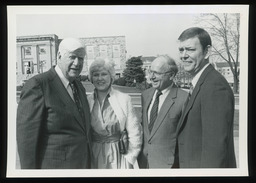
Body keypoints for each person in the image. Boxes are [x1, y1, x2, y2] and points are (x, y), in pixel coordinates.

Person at [17, 38, 91, 169]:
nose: (77, 63)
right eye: (72, 57)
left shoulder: (79, 87)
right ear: (59, 56)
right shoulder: (38, 85)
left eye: (81, 58)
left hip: (83, 167)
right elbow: (26, 142)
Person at [174, 27, 236, 168]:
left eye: (190, 49)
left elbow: (215, 151)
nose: (183, 55)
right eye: (181, 50)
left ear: (207, 51)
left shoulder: (214, 87)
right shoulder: (201, 82)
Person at [87, 57, 142, 169]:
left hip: (119, 154)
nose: (100, 78)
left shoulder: (124, 99)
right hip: (94, 155)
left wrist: (130, 158)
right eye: (96, 75)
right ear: (91, 78)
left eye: (104, 74)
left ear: (111, 77)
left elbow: (135, 132)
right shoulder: (86, 101)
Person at [137, 55, 188, 168]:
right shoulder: (145, 95)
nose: (151, 77)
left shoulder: (184, 99)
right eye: (150, 72)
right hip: (144, 163)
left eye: (157, 73)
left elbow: (188, 140)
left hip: (169, 166)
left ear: (171, 75)